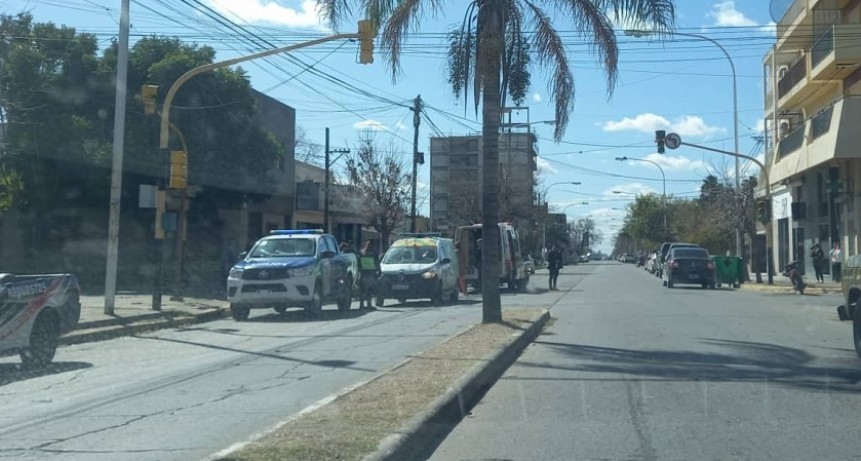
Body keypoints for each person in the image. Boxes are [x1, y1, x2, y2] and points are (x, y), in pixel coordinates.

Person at [358, 239, 380, 309]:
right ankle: (369, 304)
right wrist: (379, 271)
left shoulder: (361, 253)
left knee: (363, 290)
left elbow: (358, 263)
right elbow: (377, 263)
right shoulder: (374, 254)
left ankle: (361, 305)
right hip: (371, 274)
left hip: (363, 274)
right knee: (370, 290)